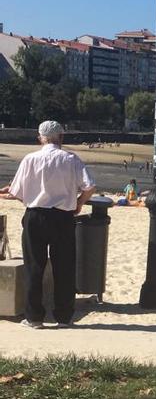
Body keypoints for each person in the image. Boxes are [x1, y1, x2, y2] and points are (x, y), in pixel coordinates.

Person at [6, 120, 96, 329]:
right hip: (63, 216)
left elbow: (15, 191)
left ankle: (34, 317)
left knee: (34, 266)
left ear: (40, 138)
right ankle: (63, 316)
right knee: (64, 266)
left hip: (36, 215)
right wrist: (79, 203)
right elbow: (89, 186)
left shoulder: (31, 159)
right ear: (61, 138)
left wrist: (30, 201)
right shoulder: (71, 158)